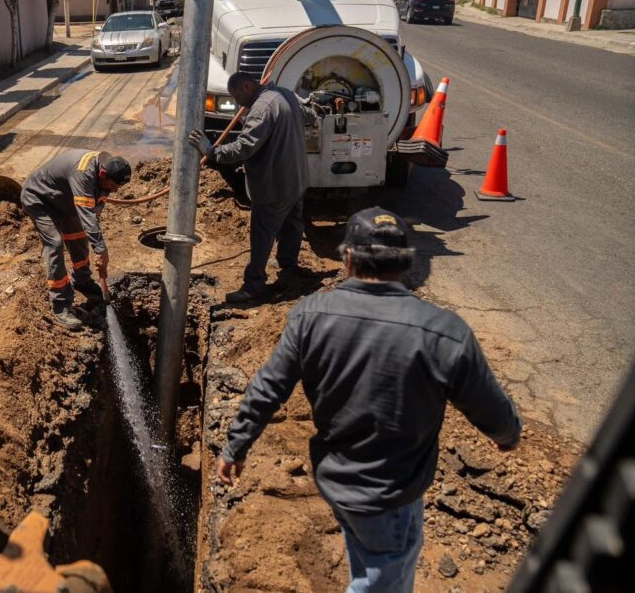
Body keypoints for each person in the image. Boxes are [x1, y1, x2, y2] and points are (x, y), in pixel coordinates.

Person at [217, 207, 523, 592]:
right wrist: (507, 434)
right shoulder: (444, 332)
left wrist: (235, 446)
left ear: (347, 259)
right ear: (406, 263)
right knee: (382, 577)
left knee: (367, 553)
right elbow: (492, 411)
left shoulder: (310, 315)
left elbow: (268, 388)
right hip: (389, 494)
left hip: (335, 479)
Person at [188, 72, 316, 303]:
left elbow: (243, 148)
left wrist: (211, 151)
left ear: (247, 86)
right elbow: (309, 115)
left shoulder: (261, 110)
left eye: (237, 96)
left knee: (262, 235)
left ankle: (254, 285)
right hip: (296, 179)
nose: (238, 103)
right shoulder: (284, 95)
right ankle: (288, 266)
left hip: (274, 186)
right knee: (292, 225)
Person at [21, 150, 131, 330]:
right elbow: (87, 214)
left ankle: (82, 280)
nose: (116, 190)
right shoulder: (83, 172)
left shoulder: (107, 168)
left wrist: (96, 233)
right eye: (114, 186)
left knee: (78, 237)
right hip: (40, 200)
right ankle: (61, 306)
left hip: (65, 201)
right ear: (103, 174)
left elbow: (95, 207)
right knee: (55, 244)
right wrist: (101, 249)